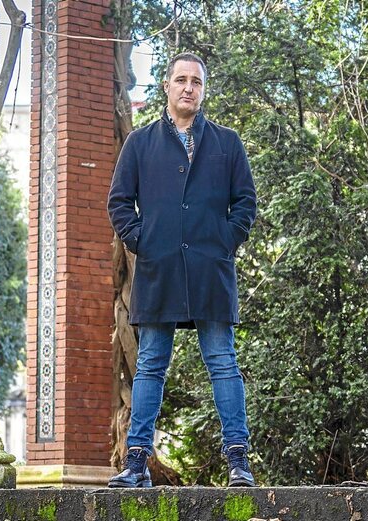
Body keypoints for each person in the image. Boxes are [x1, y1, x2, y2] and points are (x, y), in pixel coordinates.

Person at [107, 52, 257, 488]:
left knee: (223, 363)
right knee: (150, 364)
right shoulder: (140, 143)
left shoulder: (227, 143)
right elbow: (119, 202)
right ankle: (136, 463)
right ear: (166, 86)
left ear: (203, 90)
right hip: (159, 270)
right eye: (181, 80)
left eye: (196, 81)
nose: (188, 87)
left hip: (212, 270)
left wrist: (224, 241)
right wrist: (143, 241)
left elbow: (245, 202)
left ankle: (238, 462)